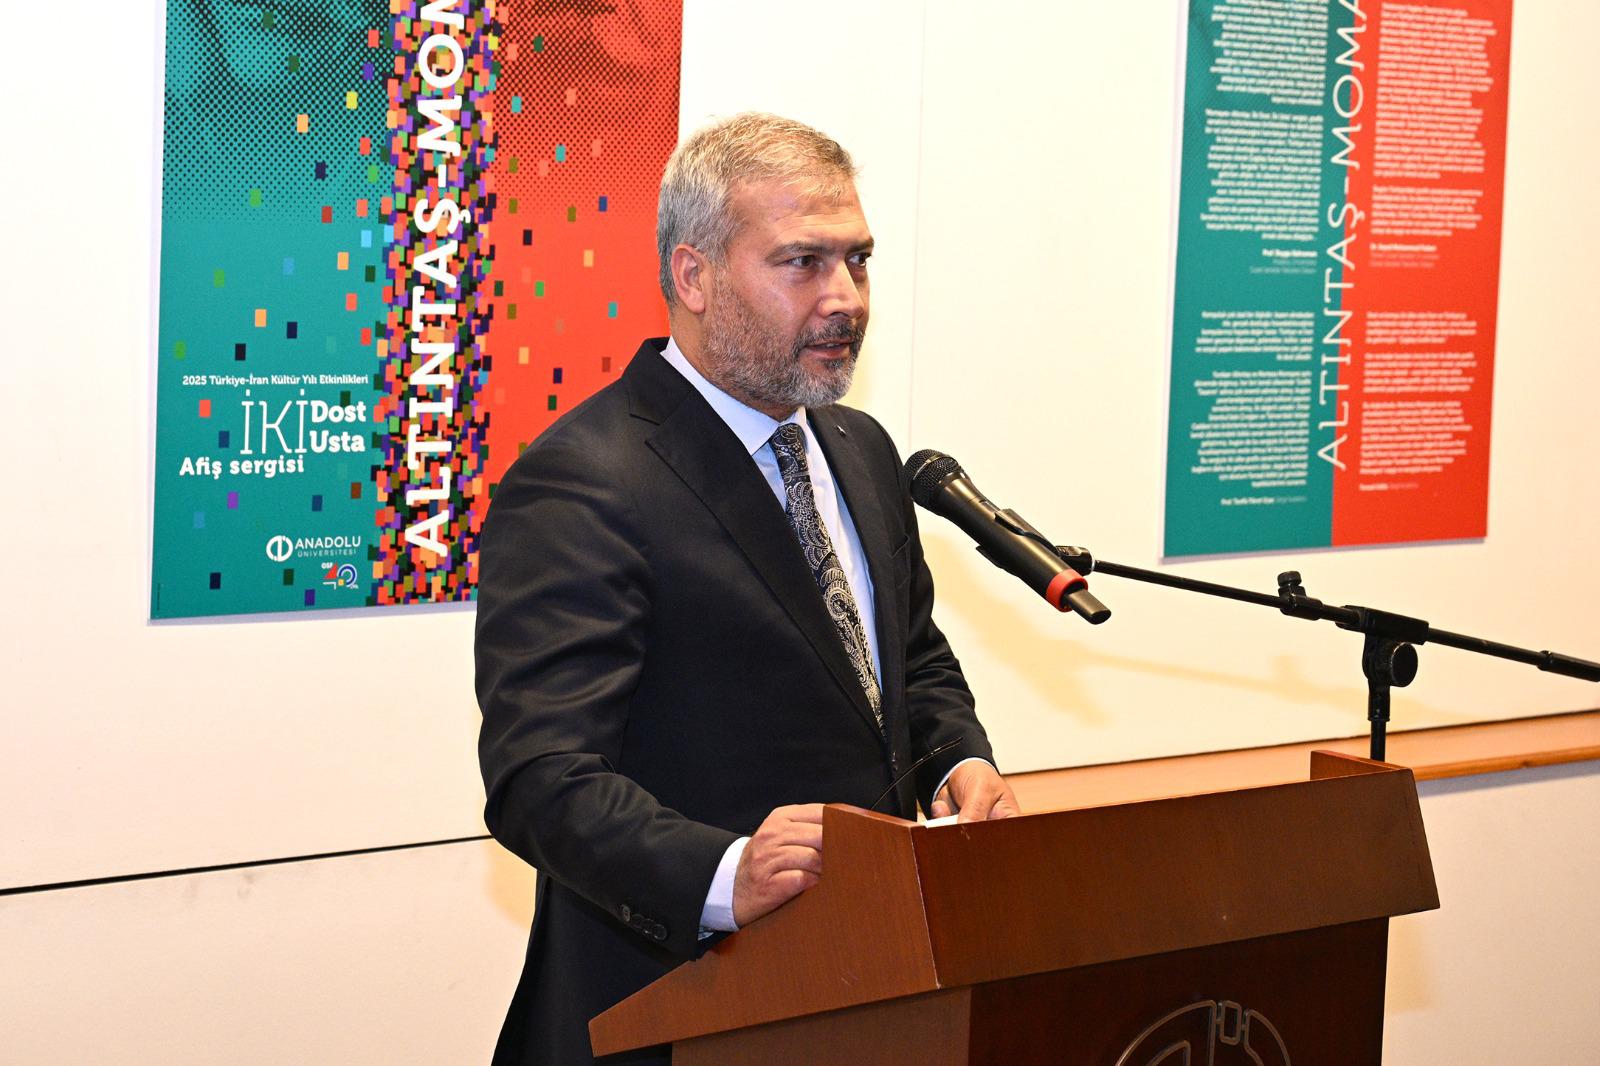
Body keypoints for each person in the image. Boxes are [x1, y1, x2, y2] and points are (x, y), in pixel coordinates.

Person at [475, 112, 1019, 1065]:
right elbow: (541, 779)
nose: (845, 298)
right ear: (693, 277)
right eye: (803, 263)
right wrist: (727, 873)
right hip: (673, 1003)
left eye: (858, 261)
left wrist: (955, 763)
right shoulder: (584, 480)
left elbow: (905, 661)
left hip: (863, 990)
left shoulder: (859, 448)